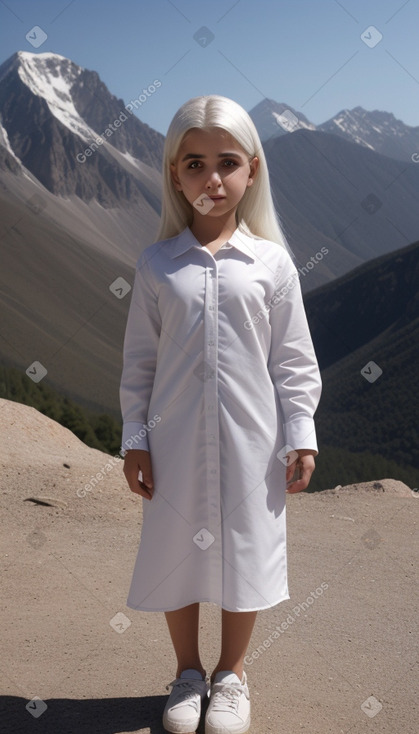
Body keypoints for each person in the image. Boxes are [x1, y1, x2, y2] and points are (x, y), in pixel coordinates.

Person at [119, 94, 322, 734]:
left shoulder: (273, 264)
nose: (212, 178)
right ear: (175, 174)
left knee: (246, 550)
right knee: (176, 550)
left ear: (252, 170)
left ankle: (231, 675)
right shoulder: (156, 265)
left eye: (226, 162)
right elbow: (140, 365)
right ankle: (187, 673)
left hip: (252, 442)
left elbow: (293, 360)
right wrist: (136, 439)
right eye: (195, 164)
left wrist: (301, 434)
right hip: (173, 439)